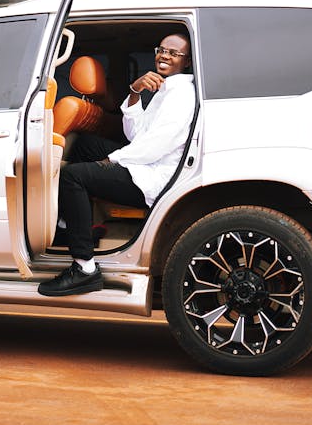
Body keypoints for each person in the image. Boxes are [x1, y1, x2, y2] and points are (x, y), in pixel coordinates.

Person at [38, 33, 195, 297]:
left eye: (173, 53)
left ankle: (84, 267)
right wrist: (135, 92)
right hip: (147, 161)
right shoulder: (166, 87)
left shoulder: (181, 93)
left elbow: (158, 144)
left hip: (154, 175)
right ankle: (71, 223)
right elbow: (137, 135)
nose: (164, 56)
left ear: (187, 62)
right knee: (87, 144)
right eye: (161, 50)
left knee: (71, 177)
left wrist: (113, 160)